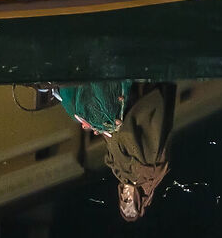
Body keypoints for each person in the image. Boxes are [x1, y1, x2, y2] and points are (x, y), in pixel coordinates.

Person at [56, 81, 175, 222]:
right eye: (129, 199)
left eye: (122, 199)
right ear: (137, 198)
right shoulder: (148, 171)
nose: (125, 195)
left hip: (118, 114)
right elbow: (144, 130)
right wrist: (117, 127)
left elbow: (113, 144)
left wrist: (100, 129)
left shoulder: (123, 174)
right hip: (133, 106)